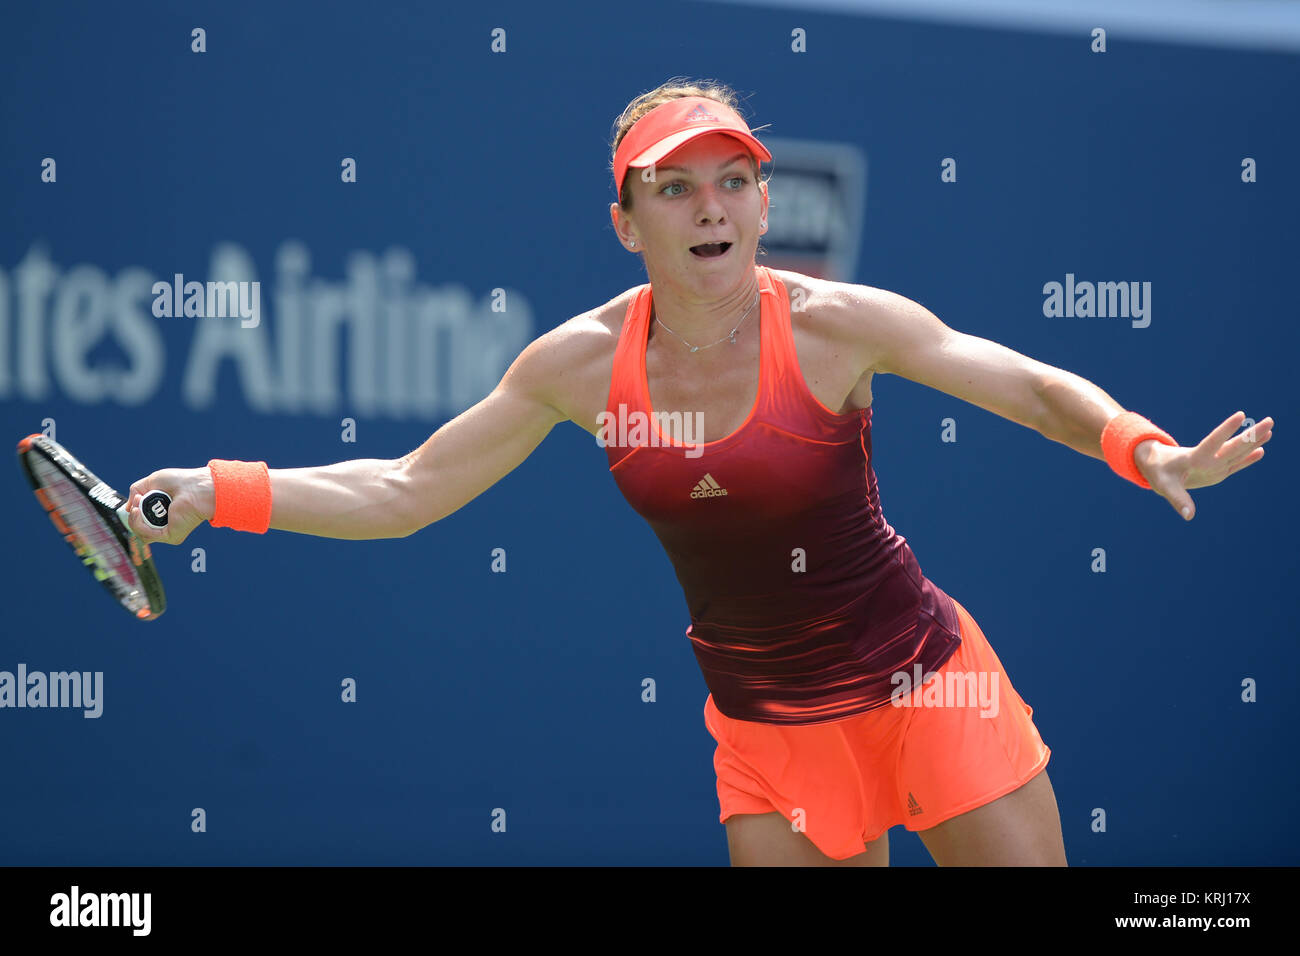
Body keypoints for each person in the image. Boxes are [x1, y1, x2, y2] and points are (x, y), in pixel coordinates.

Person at [122, 78, 1273, 866]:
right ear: (626, 223)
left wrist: (1140, 443)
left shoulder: (836, 326)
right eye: (672, 188)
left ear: (766, 204)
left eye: (731, 181)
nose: (708, 206)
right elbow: (406, 489)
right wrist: (221, 488)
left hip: (932, 686)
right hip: (767, 732)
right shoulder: (576, 366)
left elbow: (1021, 384)